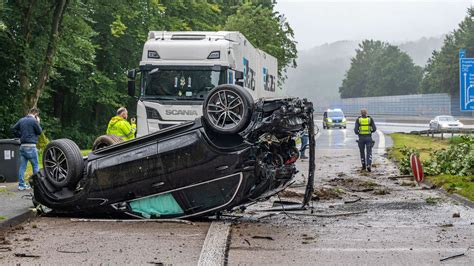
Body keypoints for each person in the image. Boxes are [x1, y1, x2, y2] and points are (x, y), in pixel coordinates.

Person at [11, 108, 43, 190]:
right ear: (35, 113)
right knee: (35, 165)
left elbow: (13, 129)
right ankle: (37, 185)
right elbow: (39, 132)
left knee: (22, 166)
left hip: (22, 146)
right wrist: (38, 122)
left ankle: (21, 185)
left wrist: (20, 136)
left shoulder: (21, 120)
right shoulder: (34, 121)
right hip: (31, 146)